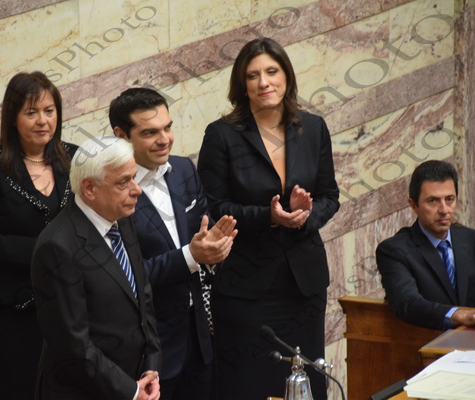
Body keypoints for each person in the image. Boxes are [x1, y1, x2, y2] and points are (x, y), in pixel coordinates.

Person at [196, 38, 340, 400]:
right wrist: (270, 217)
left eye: (272, 71)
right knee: (250, 385)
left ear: (286, 76)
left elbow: (330, 196)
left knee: (306, 384)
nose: (264, 82)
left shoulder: (313, 128)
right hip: (246, 288)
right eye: (253, 75)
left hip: (303, 287)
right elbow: (215, 207)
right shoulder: (221, 135)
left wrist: (303, 217)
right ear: (241, 84)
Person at [109, 87, 237, 400]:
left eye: (167, 128)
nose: (164, 139)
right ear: (121, 135)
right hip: (148, 352)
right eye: (150, 132)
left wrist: (215, 251)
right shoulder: (111, 191)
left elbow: (203, 236)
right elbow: (122, 277)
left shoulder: (183, 170)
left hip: (199, 340)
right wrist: (191, 256)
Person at [0, 71, 77, 399]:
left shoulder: (75, 158)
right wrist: (41, 250)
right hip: (8, 311)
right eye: (31, 112)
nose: (43, 121)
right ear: (12, 117)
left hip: (67, 305)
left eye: (49, 111)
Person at [31, 136, 161, 400]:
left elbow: (142, 299)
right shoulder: (57, 247)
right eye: (123, 182)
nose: (136, 190)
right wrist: (131, 391)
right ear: (89, 188)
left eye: (134, 178)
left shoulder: (121, 218)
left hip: (137, 379)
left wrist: (151, 368)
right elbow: (73, 345)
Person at [376, 160, 475, 330]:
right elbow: (407, 302)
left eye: (449, 199)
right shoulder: (394, 251)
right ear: (413, 205)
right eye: (433, 201)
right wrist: (458, 315)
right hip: (424, 340)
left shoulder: (470, 239)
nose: (444, 210)